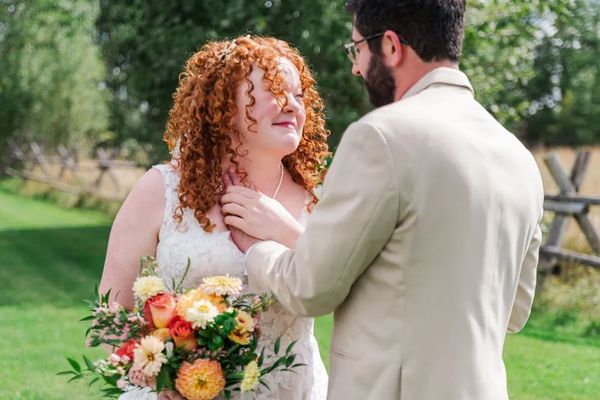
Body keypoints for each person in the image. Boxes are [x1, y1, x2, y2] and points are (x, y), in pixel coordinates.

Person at [220, 1, 545, 399]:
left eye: (356, 49)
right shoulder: (519, 158)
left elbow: (309, 288)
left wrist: (257, 248)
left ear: (390, 46)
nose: (356, 68)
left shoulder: (380, 137)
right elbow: (515, 311)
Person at [99, 35, 330, 400]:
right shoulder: (162, 189)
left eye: (299, 95)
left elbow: (347, 288)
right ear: (224, 107)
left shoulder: (321, 199)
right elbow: (112, 312)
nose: (292, 105)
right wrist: (158, 376)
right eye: (274, 91)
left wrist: (286, 231)